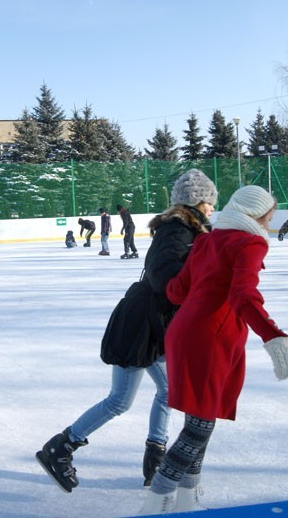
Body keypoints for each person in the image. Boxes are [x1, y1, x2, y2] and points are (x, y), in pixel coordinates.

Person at [36, 169, 218, 494]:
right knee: (120, 400)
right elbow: (165, 278)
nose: (212, 208)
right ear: (199, 201)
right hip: (140, 324)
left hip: (153, 322)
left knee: (167, 391)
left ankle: (155, 456)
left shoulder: (190, 230)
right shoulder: (178, 229)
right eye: (210, 202)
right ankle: (60, 448)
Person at [139, 185, 288, 514]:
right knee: (199, 428)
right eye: (268, 217)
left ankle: (187, 500)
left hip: (183, 333)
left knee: (200, 421)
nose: (269, 223)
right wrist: (275, 339)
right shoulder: (250, 242)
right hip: (209, 340)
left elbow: (176, 291)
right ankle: (156, 504)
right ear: (254, 214)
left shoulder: (208, 239)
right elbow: (243, 296)